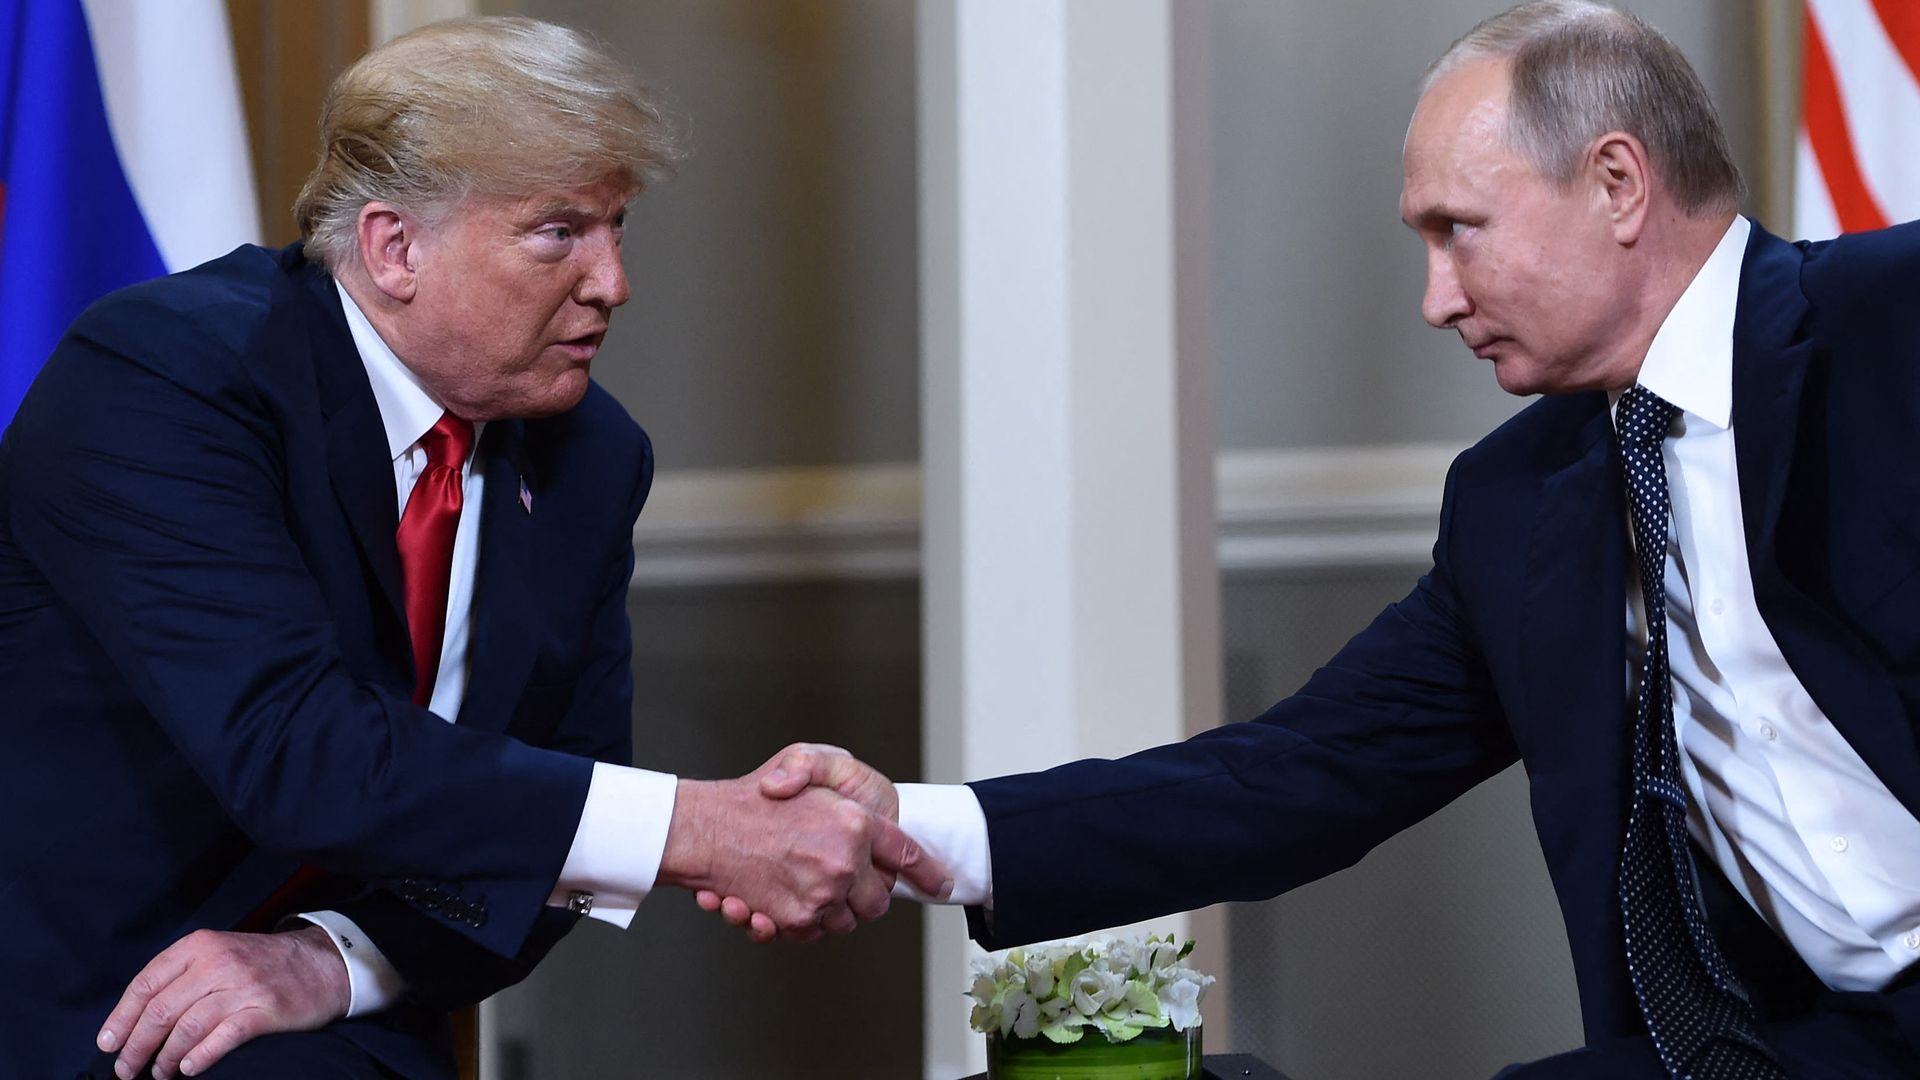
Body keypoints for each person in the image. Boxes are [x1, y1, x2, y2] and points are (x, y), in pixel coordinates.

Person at [725, 3, 1920, 1076]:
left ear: (1616, 183)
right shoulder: (1521, 502)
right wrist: (920, 830)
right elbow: (1300, 774)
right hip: (1807, 1043)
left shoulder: (1891, 328)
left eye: (1459, 230)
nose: (1436, 298)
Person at [0, 17, 946, 1080]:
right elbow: (297, 751)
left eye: (617, 226)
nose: (613, 282)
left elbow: (558, 818)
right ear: (395, 248)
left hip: (349, 1018)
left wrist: (343, 960)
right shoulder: (167, 378)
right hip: (96, 1005)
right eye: (559, 232)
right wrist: (702, 830)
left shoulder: (590, 455)